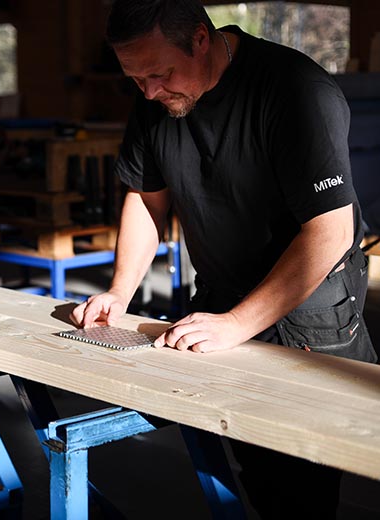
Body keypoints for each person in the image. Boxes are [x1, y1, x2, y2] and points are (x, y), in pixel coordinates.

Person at [69, 0, 377, 517]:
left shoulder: (294, 89)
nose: (149, 91)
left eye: (159, 74)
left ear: (200, 39)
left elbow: (330, 231)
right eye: (135, 79)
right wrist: (120, 291)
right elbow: (147, 197)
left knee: (300, 484)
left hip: (307, 305)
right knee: (253, 468)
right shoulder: (155, 96)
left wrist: (236, 324)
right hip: (222, 295)